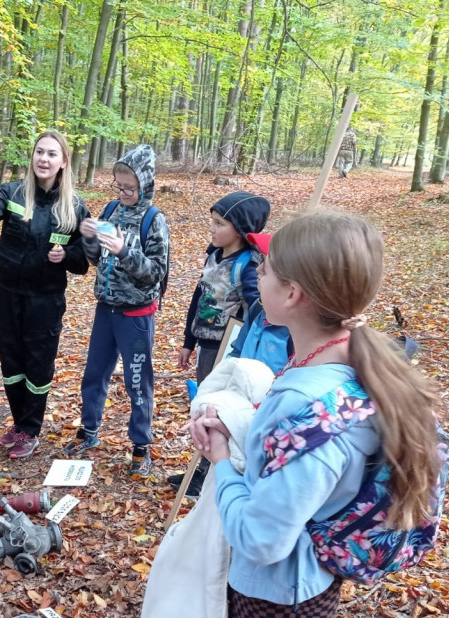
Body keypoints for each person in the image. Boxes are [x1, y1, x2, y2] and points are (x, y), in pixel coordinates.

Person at [189, 211, 442, 618]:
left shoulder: (306, 405)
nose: (257, 273)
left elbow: (261, 539)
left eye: (266, 268)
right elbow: (309, 472)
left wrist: (221, 461)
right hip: (305, 581)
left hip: (276, 595)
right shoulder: (349, 359)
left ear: (293, 294)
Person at [0, 131, 91, 459]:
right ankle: (19, 423)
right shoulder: (14, 192)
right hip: (7, 296)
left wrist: (66, 256)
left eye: (51, 154)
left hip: (45, 301)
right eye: (39, 152)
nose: (43, 159)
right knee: (11, 362)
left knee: (37, 365)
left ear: (63, 162)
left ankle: (30, 429)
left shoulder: (74, 206)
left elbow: (84, 259)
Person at [62, 144, 169, 480]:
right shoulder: (110, 209)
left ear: (145, 185)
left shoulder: (154, 220)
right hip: (105, 308)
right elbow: (96, 259)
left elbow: (156, 273)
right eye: (118, 186)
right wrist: (89, 238)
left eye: (129, 188)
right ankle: (89, 429)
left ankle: (140, 445)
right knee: (95, 373)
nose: (123, 193)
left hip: (136, 314)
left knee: (137, 381)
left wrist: (124, 251)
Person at [172, 191, 270, 495]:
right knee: (204, 404)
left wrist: (243, 351)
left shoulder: (247, 266)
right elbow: (199, 297)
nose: (212, 229)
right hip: (205, 343)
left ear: (240, 230)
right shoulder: (214, 256)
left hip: (226, 349)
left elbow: (259, 310)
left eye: (220, 224)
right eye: (212, 221)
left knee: (216, 409)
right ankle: (201, 469)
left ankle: (210, 473)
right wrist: (188, 341)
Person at [227, 232, 292, 374]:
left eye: (266, 264)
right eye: (261, 260)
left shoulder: (298, 330)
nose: (258, 268)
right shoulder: (258, 308)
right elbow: (237, 351)